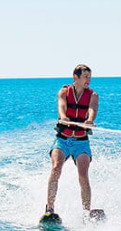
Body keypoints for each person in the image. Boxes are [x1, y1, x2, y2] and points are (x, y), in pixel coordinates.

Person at [44, 64, 100, 222]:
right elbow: (61, 106)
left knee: (83, 175)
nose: (88, 80)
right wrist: (63, 117)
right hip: (62, 140)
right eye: (85, 77)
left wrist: (90, 120)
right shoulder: (64, 92)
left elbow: (92, 109)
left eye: (90, 77)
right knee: (56, 168)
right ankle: (49, 208)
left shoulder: (93, 95)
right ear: (76, 77)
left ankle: (86, 212)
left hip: (81, 142)